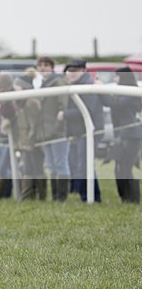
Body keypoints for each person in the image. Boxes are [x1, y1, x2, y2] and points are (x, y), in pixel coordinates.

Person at [60, 59, 103, 202]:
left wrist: (64, 115)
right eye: (69, 71)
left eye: (74, 71)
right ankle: (86, 195)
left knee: (84, 165)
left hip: (89, 131)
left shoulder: (88, 85)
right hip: (80, 132)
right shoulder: (77, 85)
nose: (71, 74)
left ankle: (91, 197)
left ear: (83, 70)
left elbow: (87, 110)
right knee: (78, 164)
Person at [36, 56, 70, 202]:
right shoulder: (43, 84)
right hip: (46, 131)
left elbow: (63, 106)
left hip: (58, 131)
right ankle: (55, 195)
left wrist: (57, 126)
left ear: (52, 67)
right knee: (51, 165)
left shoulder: (58, 82)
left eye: (46, 65)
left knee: (60, 163)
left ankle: (62, 196)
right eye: (40, 66)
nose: (42, 68)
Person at [107, 66, 141, 203]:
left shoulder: (129, 93)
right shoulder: (122, 92)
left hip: (132, 136)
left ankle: (132, 199)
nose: (114, 78)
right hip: (124, 135)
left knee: (125, 168)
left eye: (117, 75)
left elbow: (114, 104)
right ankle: (126, 198)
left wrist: (101, 90)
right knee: (120, 168)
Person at [0, 72, 15, 199]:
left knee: (5, 167)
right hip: (1, 138)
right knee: (2, 167)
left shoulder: (9, 99)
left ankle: (5, 193)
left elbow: (9, 115)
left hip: (8, 138)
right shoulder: (0, 98)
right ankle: (2, 193)